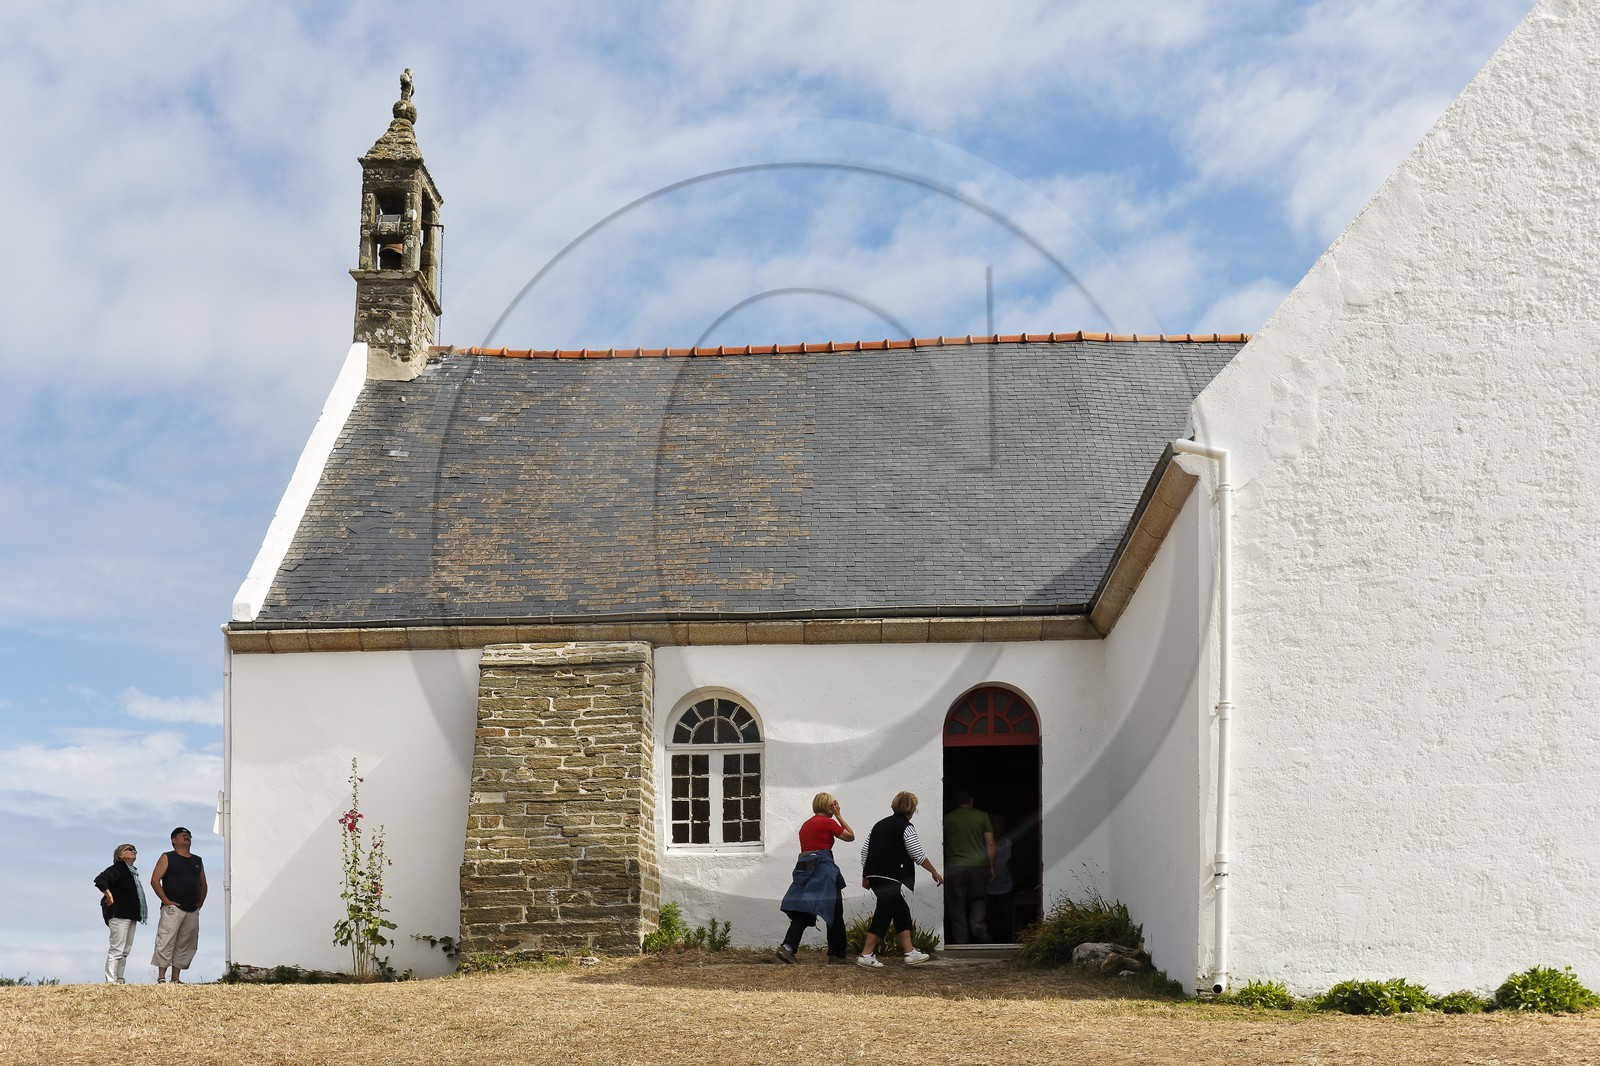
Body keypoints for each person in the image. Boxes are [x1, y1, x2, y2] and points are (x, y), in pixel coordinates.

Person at [857, 790, 942, 968]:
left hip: (875, 875)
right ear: (912, 809)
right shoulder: (906, 827)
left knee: (900, 910)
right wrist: (934, 872)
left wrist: (866, 874)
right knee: (884, 913)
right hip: (891, 877)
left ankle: (910, 953)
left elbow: (865, 850)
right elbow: (917, 854)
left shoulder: (879, 825)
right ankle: (866, 954)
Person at [775, 792, 855, 965]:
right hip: (823, 871)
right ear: (828, 806)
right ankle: (836, 954)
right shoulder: (828, 822)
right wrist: (839, 815)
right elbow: (850, 836)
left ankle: (788, 947)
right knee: (834, 910)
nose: (835, 808)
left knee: (804, 909)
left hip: (805, 869)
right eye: (833, 805)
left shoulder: (806, 825)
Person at [150, 827, 206, 983]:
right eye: (182, 835)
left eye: (188, 835)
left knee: (186, 944)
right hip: (173, 909)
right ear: (174, 840)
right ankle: (161, 977)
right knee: (166, 940)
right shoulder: (167, 857)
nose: (186, 837)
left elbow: (203, 884)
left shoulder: (197, 860)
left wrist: (200, 903)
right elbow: (155, 881)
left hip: (192, 909)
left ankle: (175, 978)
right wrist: (167, 901)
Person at [942, 790, 995, 943]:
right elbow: (990, 843)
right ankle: (978, 926)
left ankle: (960, 941)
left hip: (954, 867)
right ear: (971, 801)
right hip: (978, 866)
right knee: (978, 899)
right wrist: (991, 866)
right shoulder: (982, 816)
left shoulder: (947, 819)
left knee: (956, 904)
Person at [94, 843, 148, 983]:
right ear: (119, 855)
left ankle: (119, 979)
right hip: (119, 913)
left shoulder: (132, 872)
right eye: (128, 849)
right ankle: (111, 980)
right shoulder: (118, 868)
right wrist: (109, 895)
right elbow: (100, 880)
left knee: (125, 950)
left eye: (134, 849)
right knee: (117, 949)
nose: (133, 851)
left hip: (130, 914)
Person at [985, 814, 1016, 943]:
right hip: (988, 888)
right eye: (994, 826)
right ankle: (991, 943)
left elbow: (1013, 864)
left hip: (1005, 887)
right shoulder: (985, 846)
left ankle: (1007, 942)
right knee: (989, 920)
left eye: (998, 826)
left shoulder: (1009, 843)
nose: (996, 829)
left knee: (1006, 918)